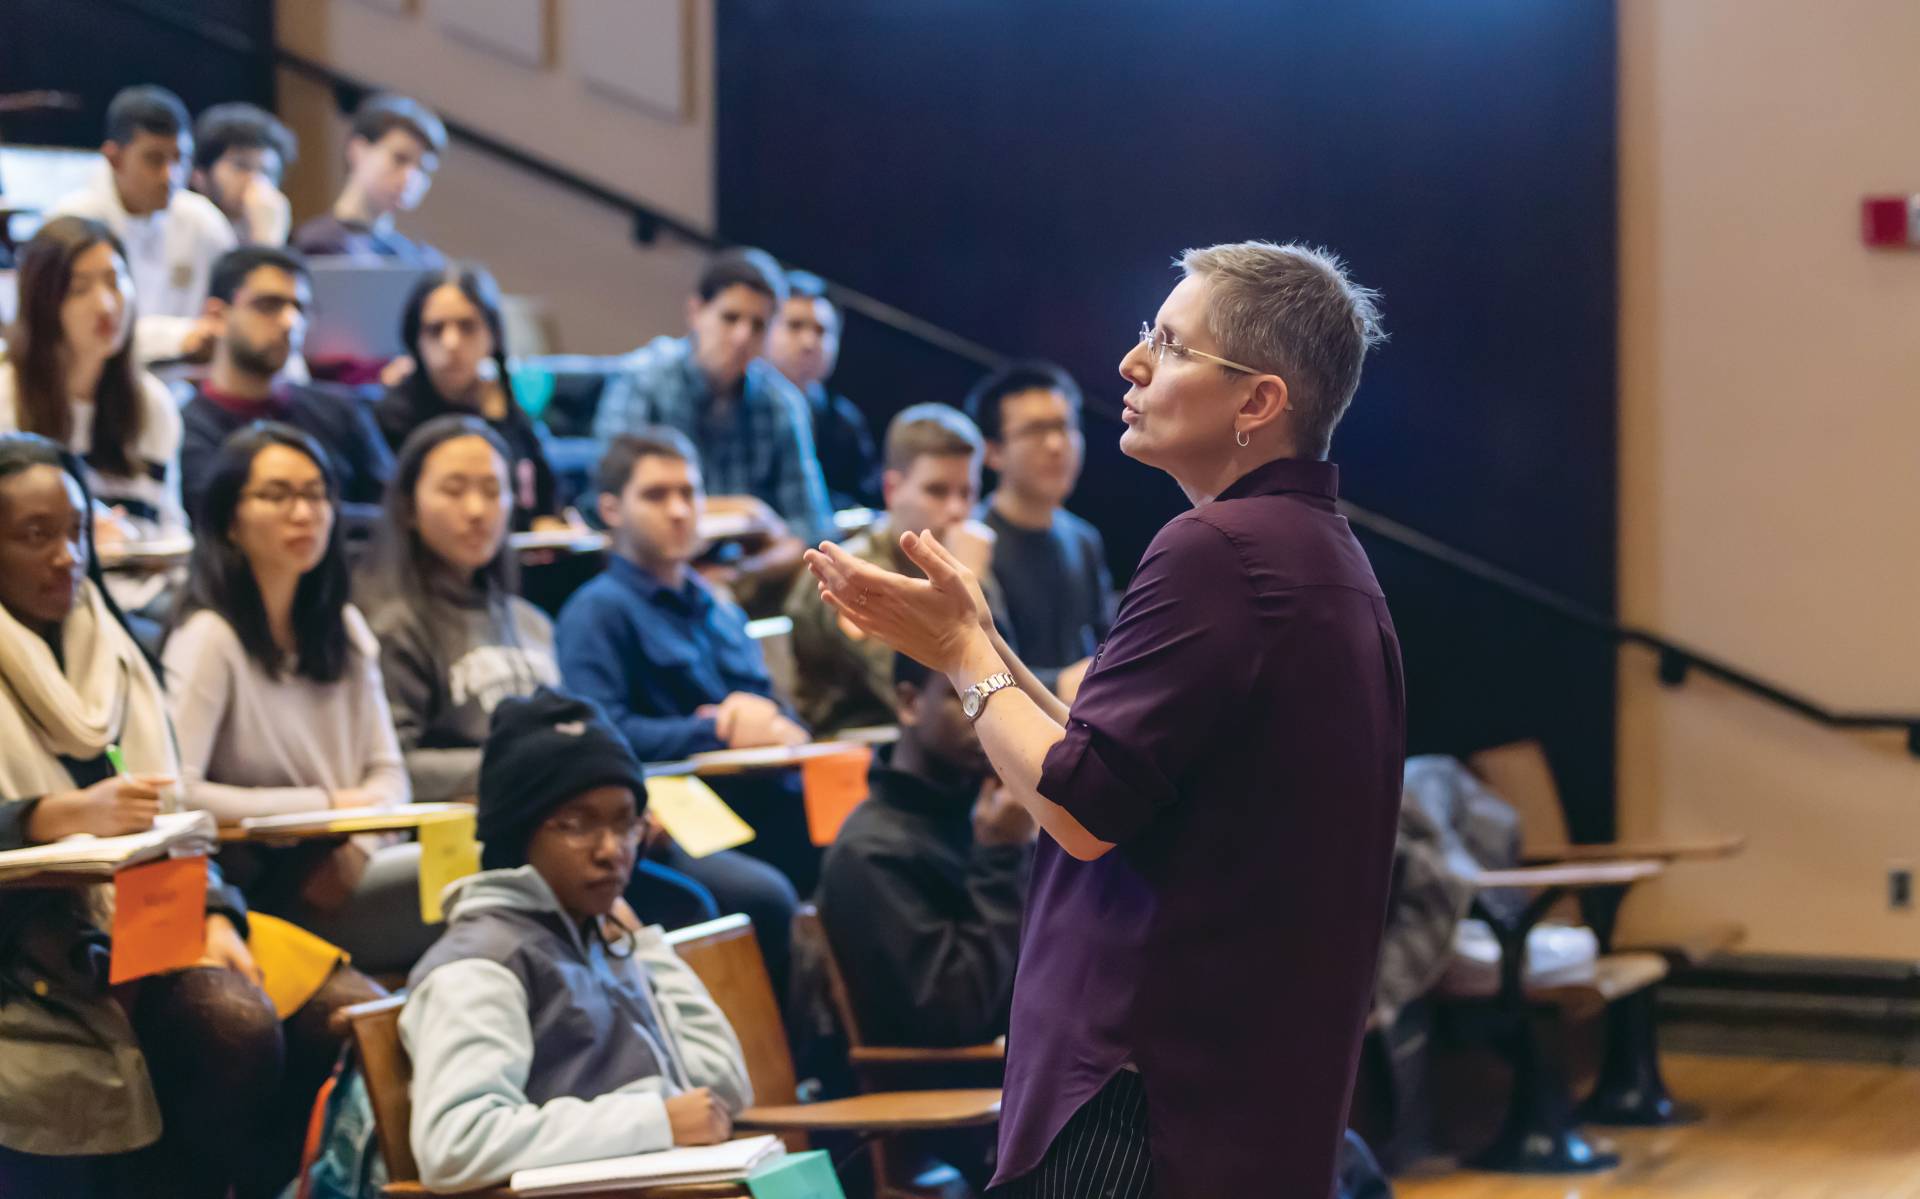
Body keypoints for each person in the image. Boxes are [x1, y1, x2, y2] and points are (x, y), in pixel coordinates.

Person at [805, 241, 1405, 1197]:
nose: (1130, 364)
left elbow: (1080, 809)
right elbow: (1111, 766)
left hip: (1146, 1090)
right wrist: (977, 641)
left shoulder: (1216, 550)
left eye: (1169, 345)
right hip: (1238, 1085)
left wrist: (962, 656)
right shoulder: (1325, 557)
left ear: (1257, 402)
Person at [0, 433, 376, 1199]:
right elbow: (101, 814)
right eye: (35, 535)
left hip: (153, 918)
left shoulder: (119, 651)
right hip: (36, 950)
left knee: (355, 1015)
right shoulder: (200, 636)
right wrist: (43, 817)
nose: (68, 557)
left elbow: (176, 818)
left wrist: (214, 912)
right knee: (230, 1024)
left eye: (77, 531)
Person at [402, 688, 752, 1194]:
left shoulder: (602, 936)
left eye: (626, 823)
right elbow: (455, 1142)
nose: (612, 851)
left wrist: (646, 946)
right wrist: (654, 1121)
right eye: (576, 825)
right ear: (516, 834)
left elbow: (722, 1089)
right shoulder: (481, 963)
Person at [163, 422, 431, 975]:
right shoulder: (210, 637)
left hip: (347, 866)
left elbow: (389, 776)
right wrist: (323, 805)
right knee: (482, 880)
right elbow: (176, 794)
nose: (304, 513)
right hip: (264, 886)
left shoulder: (344, 627)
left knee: (484, 871)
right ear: (230, 519)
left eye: (315, 494)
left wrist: (359, 847)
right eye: (276, 495)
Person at [555, 430, 807, 970]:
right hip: (671, 822)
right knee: (762, 897)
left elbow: (772, 706)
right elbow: (601, 736)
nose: (678, 510)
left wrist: (779, 725)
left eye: (689, 493)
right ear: (611, 510)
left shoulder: (717, 607)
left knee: (869, 850)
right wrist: (716, 730)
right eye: (656, 495)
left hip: (762, 799)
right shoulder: (596, 612)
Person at [817, 652, 1032, 1048]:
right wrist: (1001, 859)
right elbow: (956, 1017)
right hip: (965, 1075)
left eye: (1005, 693)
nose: (992, 715)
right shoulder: (869, 854)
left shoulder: (993, 812)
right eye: (967, 695)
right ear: (910, 703)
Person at [592, 247, 834, 575]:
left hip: (748, 577)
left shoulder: (782, 402)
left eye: (758, 325)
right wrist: (745, 510)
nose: (742, 336)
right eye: (730, 318)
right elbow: (616, 502)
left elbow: (811, 530)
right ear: (696, 311)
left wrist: (741, 576)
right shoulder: (643, 380)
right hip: (654, 571)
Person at [785, 403, 1002, 735]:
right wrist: (974, 590)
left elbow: (1003, 673)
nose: (957, 510)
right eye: (937, 491)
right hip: (860, 746)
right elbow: (917, 693)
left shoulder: (961, 557)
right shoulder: (851, 572)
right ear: (892, 490)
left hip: (953, 741)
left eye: (967, 492)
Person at [0, 217, 186, 544]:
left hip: (137, 574)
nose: (105, 305)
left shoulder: (151, 402)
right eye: (79, 289)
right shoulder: (7, 398)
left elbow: (171, 527)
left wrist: (128, 541)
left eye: (114, 281)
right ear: (42, 303)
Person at [178, 246, 394, 524]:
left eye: (300, 309)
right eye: (269, 305)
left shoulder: (342, 412)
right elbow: (219, 523)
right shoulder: (187, 428)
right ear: (217, 315)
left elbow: (395, 511)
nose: (290, 322)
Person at [48, 84, 234, 364]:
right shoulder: (72, 221)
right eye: (154, 159)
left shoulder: (204, 221)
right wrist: (178, 338)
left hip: (188, 380)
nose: (170, 175)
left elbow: (234, 312)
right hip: (97, 376)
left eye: (179, 159)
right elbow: (64, 332)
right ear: (114, 158)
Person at [964, 360, 1112, 700]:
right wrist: (1060, 684)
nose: (1056, 445)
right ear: (993, 451)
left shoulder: (1084, 539)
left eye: (1065, 427)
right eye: (1035, 431)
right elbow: (969, 670)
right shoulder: (971, 543)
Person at [371, 264, 560, 529]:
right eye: (435, 329)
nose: (451, 343)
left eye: (467, 327)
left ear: (493, 336)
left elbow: (544, 502)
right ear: (415, 340)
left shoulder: (506, 409)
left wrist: (496, 422)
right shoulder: (387, 419)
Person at [290, 92, 446, 266]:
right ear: (357, 150)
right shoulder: (310, 243)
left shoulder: (417, 259)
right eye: (399, 158)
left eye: (423, 169)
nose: (410, 178)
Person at [766, 270, 878, 510]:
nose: (809, 342)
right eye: (795, 326)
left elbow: (866, 501)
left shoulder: (846, 422)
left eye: (821, 331)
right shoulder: (741, 404)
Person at [190, 102, 298, 247]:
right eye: (241, 166)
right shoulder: (182, 233)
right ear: (199, 176)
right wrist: (266, 243)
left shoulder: (290, 238)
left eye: (267, 172)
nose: (255, 181)